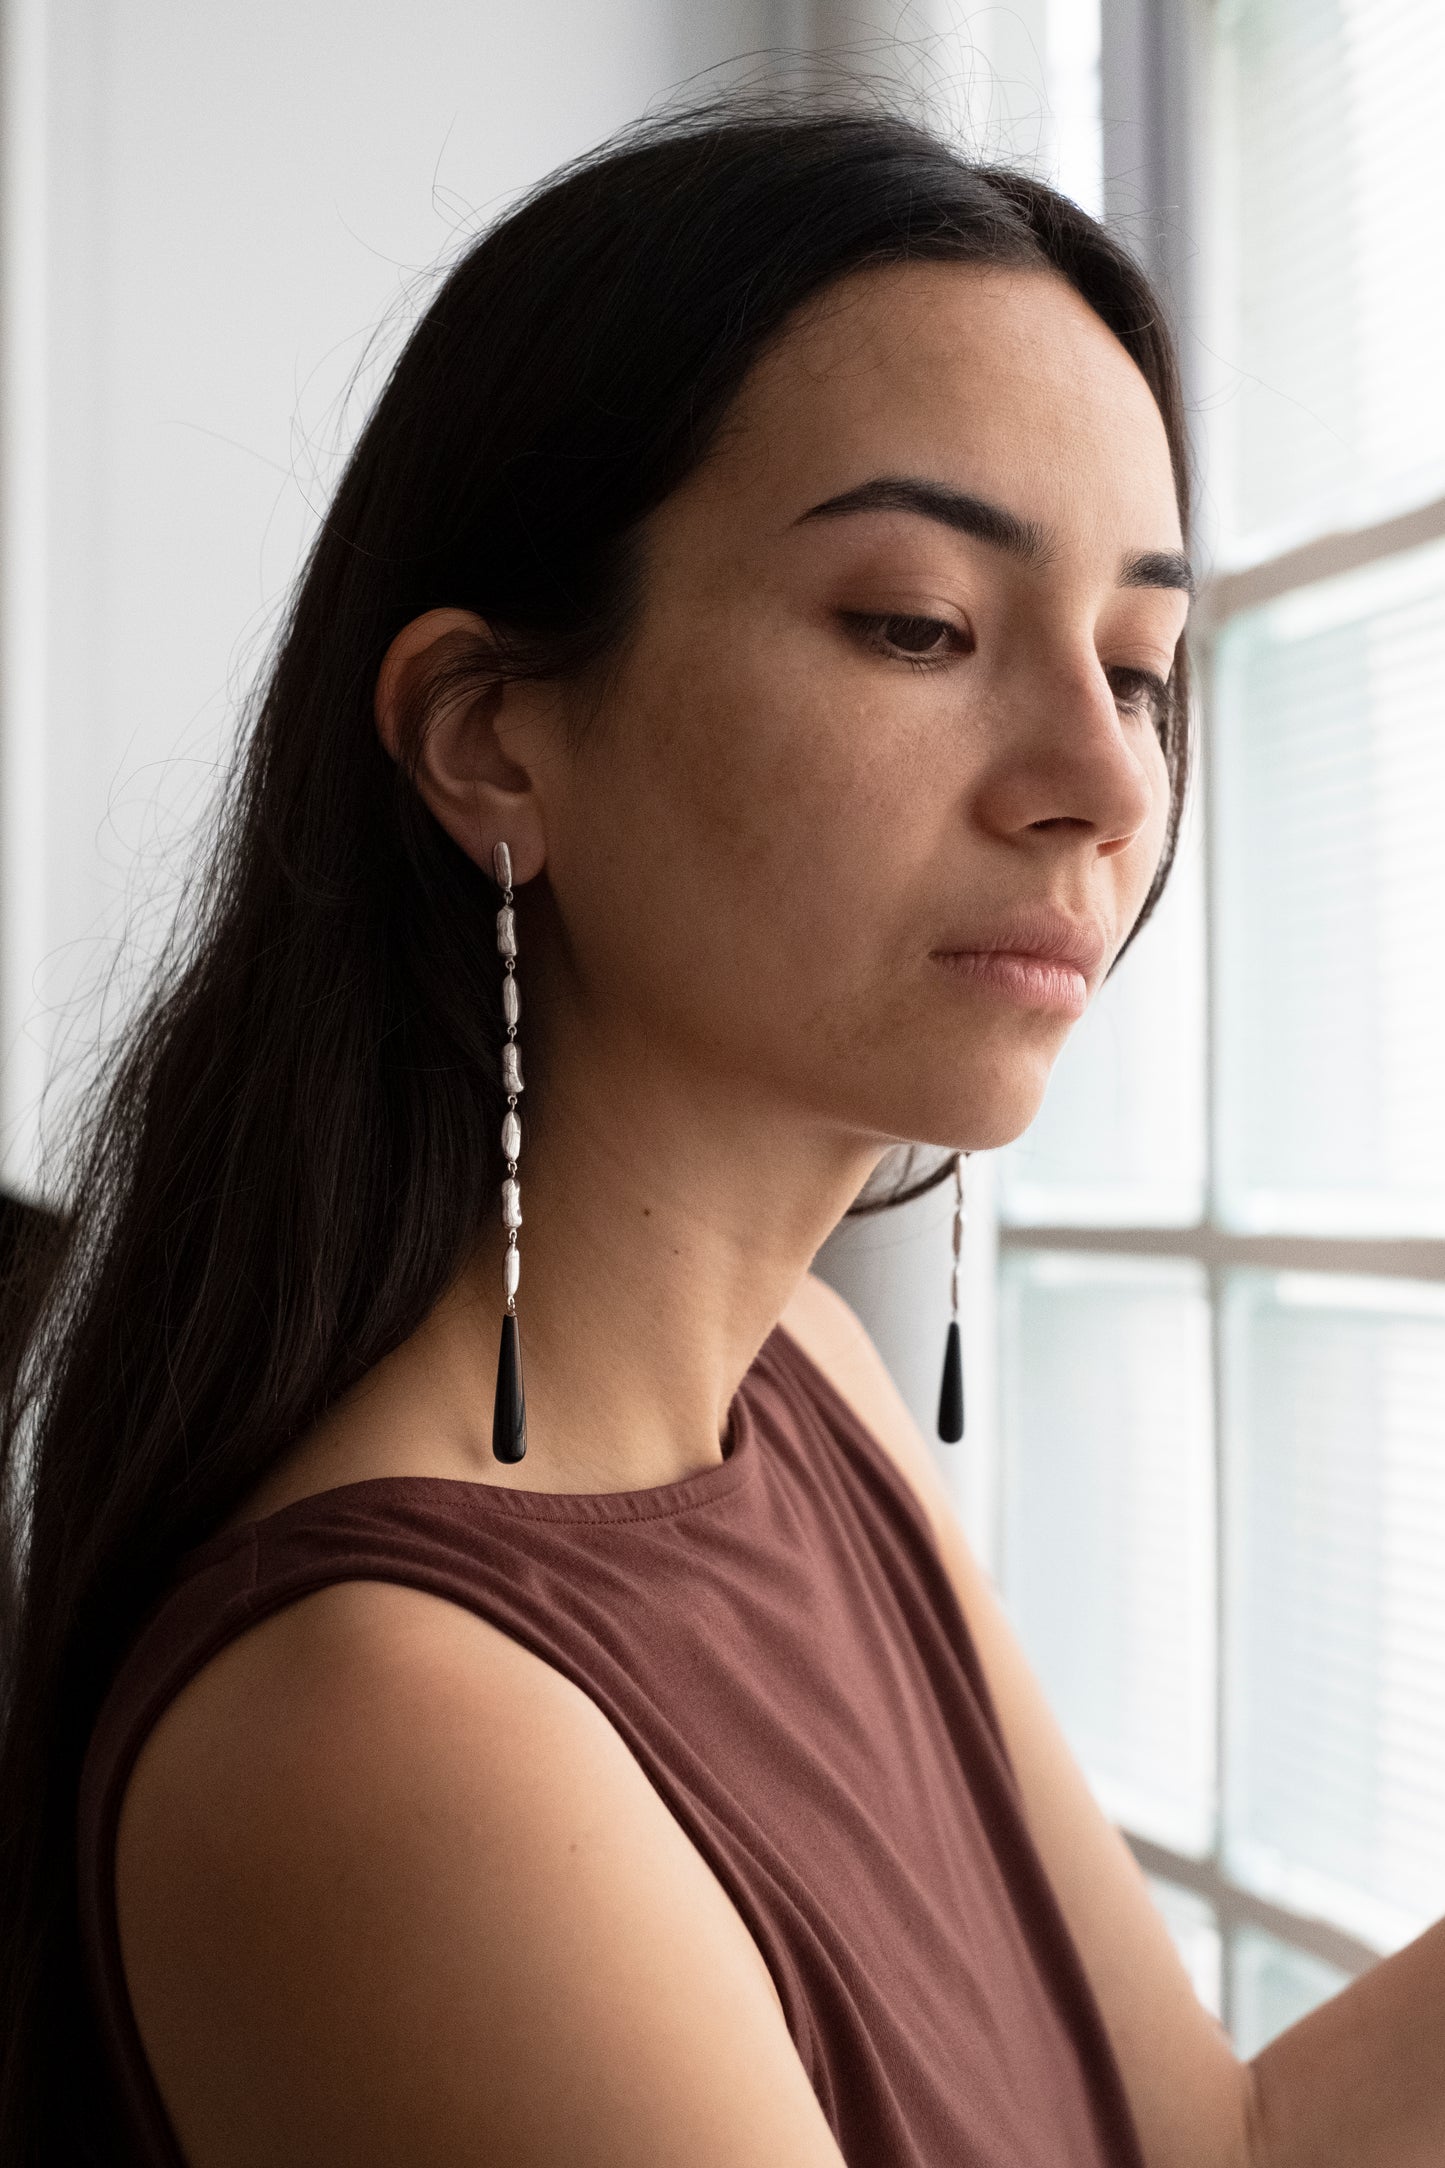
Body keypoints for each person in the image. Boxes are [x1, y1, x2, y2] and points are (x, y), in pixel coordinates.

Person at [0, 98, 1438, 2168]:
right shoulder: (400, 1729)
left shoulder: (807, 1397)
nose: (1102, 783)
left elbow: (1222, 2142)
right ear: (493, 738)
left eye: (1138, 665)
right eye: (921, 625)